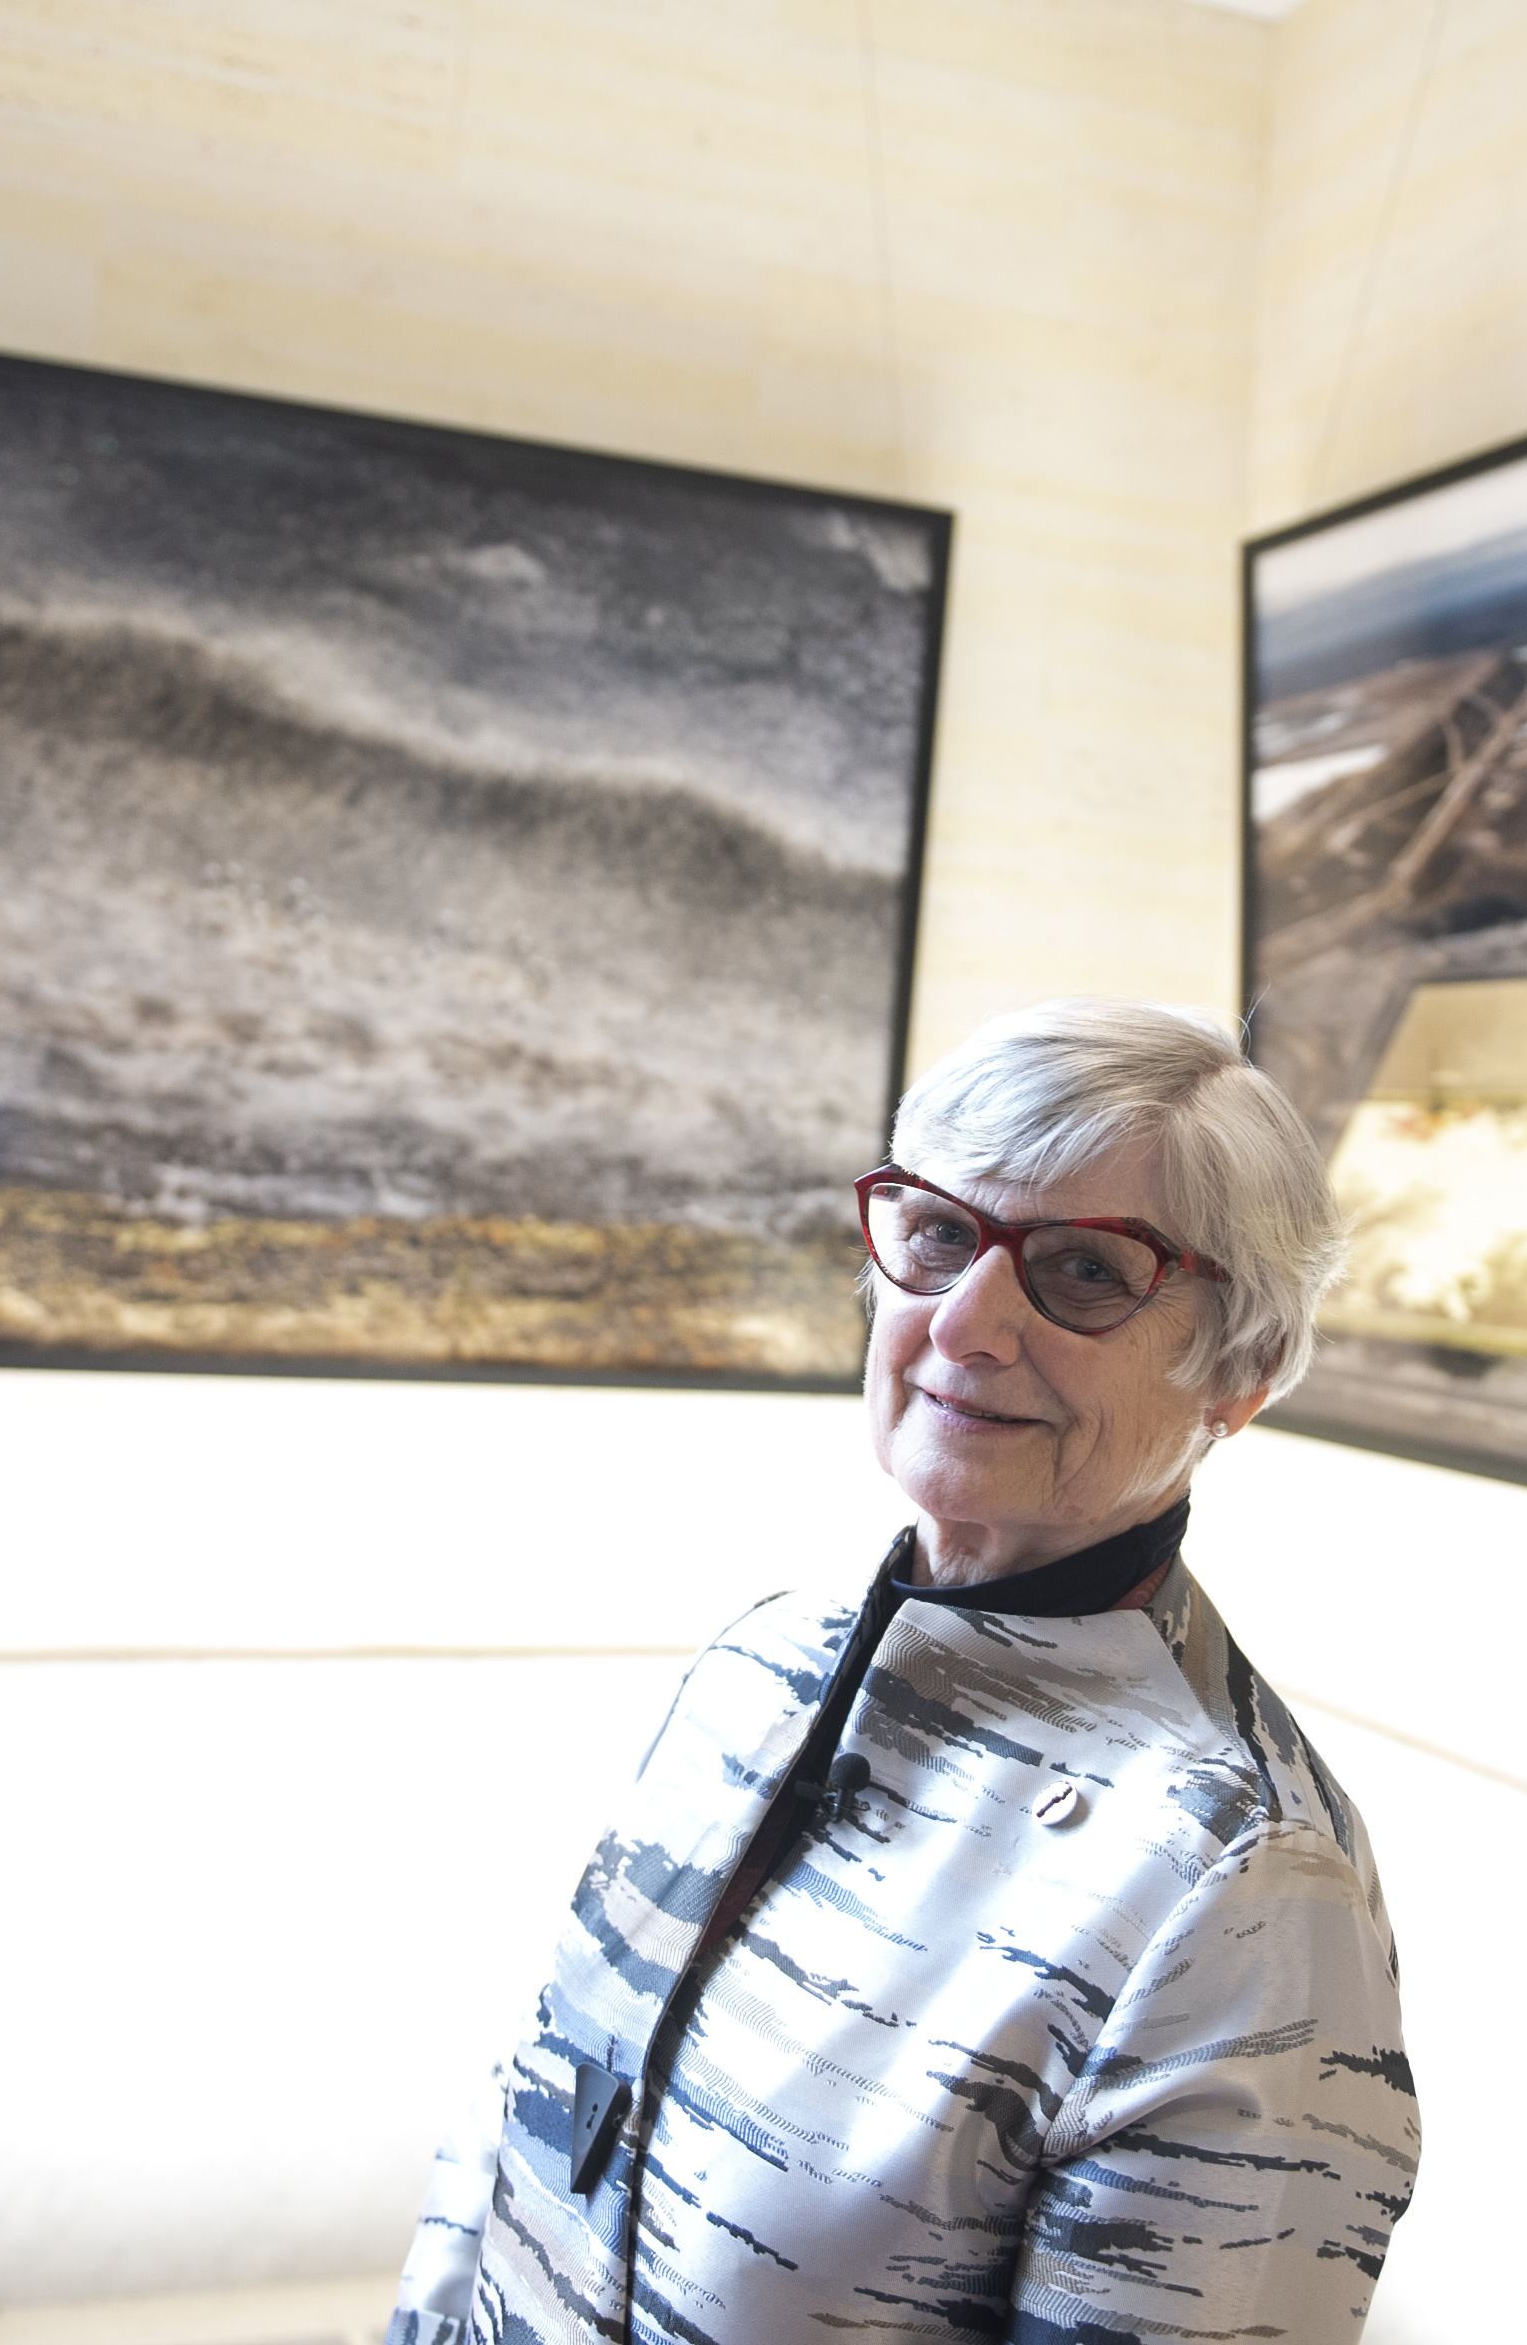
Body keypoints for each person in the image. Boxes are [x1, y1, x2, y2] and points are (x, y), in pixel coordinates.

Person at [385, 999, 1420, 2345]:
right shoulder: (760, 1664)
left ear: (1247, 1366)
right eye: (939, 1236)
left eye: (1089, 1273)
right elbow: (523, 2118)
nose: (969, 1321)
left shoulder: (1238, 1888)